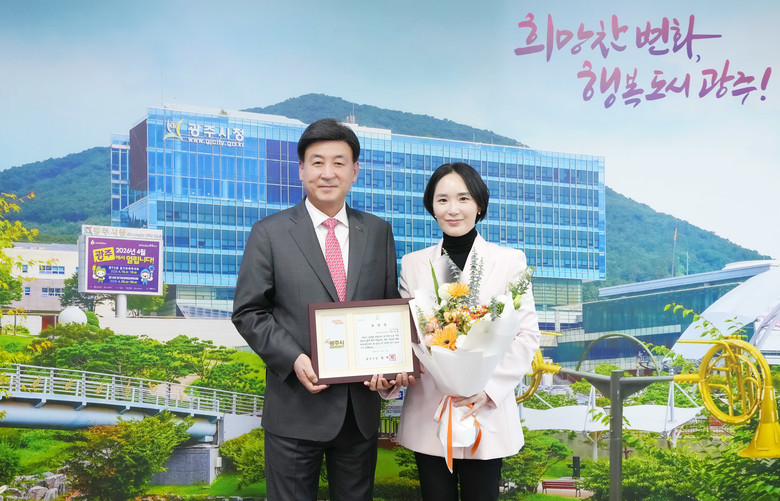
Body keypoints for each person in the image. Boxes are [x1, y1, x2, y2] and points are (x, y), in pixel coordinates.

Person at [231, 118, 400, 501]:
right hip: (295, 408)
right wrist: (293, 358)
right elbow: (249, 312)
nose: (328, 173)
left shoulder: (378, 232)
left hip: (359, 413)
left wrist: (390, 370)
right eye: (317, 162)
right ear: (301, 169)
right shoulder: (269, 232)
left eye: (339, 162)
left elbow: (387, 310)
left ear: (355, 171)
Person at [377, 162, 541, 500]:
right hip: (430, 411)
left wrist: (489, 391)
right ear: (432, 207)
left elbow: (526, 335)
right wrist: (391, 375)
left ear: (479, 205)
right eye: (442, 200)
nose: (453, 209)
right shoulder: (413, 264)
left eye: (463, 198)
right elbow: (406, 335)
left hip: (485, 410)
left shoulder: (509, 261)